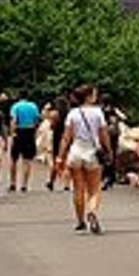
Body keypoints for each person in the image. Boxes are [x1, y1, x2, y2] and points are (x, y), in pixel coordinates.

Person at [60, 85, 109, 234]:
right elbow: (103, 134)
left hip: (76, 152)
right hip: (92, 153)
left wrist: (60, 156)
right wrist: (108, 150)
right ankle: (92, 212)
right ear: (88, 96)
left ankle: (80, 221)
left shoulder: (73, 113)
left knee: (78, 189)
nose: (95, 96)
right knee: (94, 189)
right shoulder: (98, 113)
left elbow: (66, 137)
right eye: (94, 94)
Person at [7, 91, 40, 192]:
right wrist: (35, 132)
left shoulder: (15, 106)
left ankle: (13, 183)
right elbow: (36, 120)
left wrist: (12, 133)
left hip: (19, 131)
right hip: (29, 132)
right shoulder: (33, 106)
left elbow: (13, 120)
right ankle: (24, 184)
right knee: (27, 160)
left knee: (14, 159)